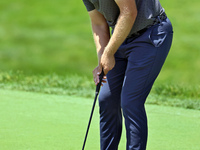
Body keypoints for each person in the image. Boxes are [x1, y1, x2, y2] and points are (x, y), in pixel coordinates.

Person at [82, 0, 173, 149]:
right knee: (107, 99)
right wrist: (103, 59)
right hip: (121, 35)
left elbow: (129, 13)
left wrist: (109, 53)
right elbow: (98, 24)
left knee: (130, 101)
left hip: (151, 32)